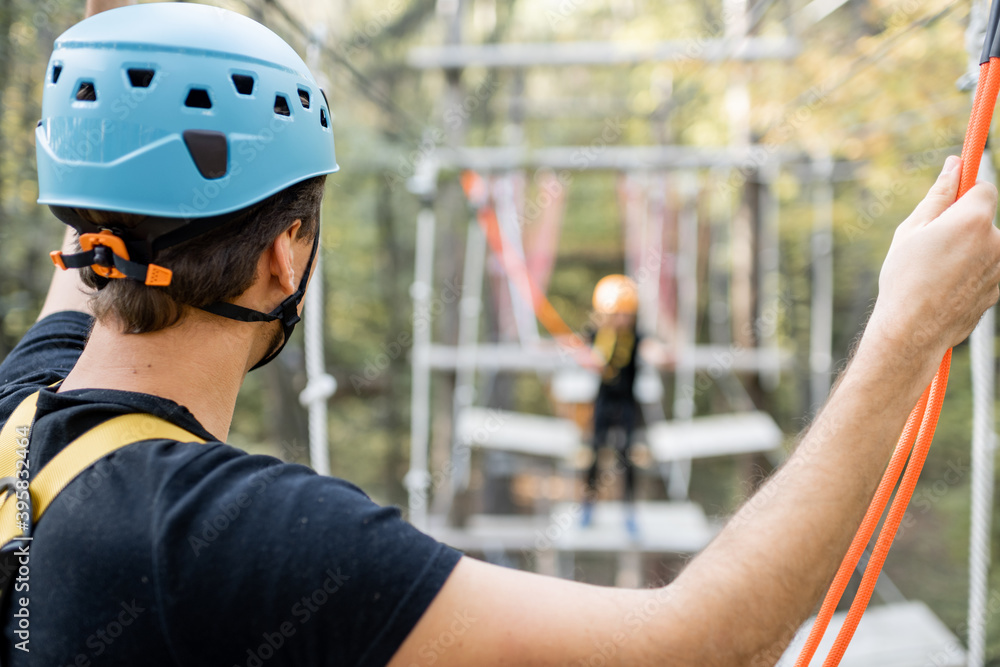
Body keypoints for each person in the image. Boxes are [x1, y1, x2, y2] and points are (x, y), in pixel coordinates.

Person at [2, 1, 999, 665]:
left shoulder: (24, 412)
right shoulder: (240, 538)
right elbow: (700, 644)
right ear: (285, 254)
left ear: (81, 233)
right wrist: (909, 330)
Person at [580, 275, 644, 535]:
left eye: (626, 315)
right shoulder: (597, 335)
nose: (622, 320)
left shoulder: (635, 337)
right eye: (617, 314)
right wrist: (586, 358)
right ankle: (588, 505)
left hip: (627, 403)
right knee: (595, 452)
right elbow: (576, 347)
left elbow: (651, 349)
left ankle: (629, 511)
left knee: (626, 454)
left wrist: (665, 356)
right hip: (603, 403)